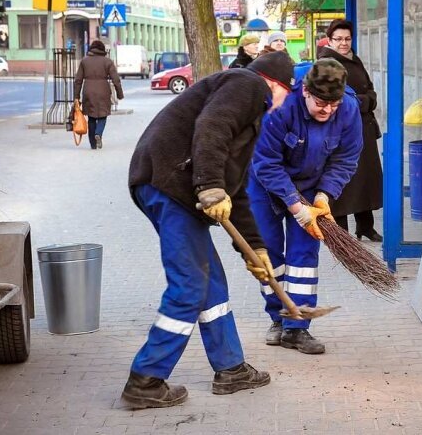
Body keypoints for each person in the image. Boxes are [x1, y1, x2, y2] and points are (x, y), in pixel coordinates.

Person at [122, 52, 295, 409]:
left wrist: (255, 248)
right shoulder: (247, 84)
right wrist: (209, 186)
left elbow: (238, 190)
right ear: (278, 86)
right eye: (285, 96)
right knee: (189, 286)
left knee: (211, 282)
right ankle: (146, 379)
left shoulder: (250, 113)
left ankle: (231, 368)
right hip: (170, 186)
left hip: (174, 188)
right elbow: (211, 126)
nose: (281, 105)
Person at [249, 58, 363, 354]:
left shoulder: (348, 108)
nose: (327, 110)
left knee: (303, 255)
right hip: (264, 184)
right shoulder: (281, 106)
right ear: (306, 93)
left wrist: (324, 196)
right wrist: (295, 206)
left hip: (312, 185)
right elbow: (266, 162)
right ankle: (278, 317)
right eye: (321, 104)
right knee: (269, 253)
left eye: (333, 105)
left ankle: (297, 328)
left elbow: (345, 158)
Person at [317, 19, 384, 241]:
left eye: (347, 38)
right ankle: (341, 231)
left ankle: (365, 226)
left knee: (365, 179)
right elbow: (333, 96)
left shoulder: (354, 60)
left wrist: (366, 100)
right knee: (344, 181)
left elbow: (370, 90)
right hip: (342, 129)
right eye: (339, 39)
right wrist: (362, 102)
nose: (344, 43)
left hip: (363, 128)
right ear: (330, 40)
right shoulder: (327, 63)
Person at [73, 39, 124, 150]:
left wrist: (76, 96)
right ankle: (99, 133)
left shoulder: (84, 61)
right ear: (102, 50)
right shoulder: (107, 62)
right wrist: (119, 94)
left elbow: (78, 80)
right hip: (103, 90)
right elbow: (116, 79)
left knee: (91, 117)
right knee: (103, 115)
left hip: (88, 91)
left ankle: (93, 144)